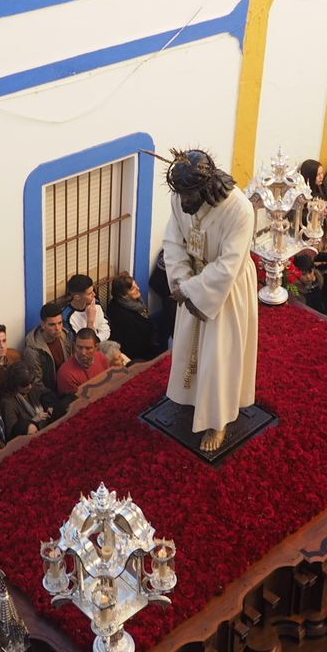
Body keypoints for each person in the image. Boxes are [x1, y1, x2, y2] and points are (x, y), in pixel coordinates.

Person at [158, 149, 259, 453]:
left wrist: (191, 291)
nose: (183, 202)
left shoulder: (238, 210)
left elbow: (230, 264)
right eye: (180, 194)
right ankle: (194, 401)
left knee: (219, 358)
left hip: (226, 291)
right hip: (191, 283)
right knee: (190, 349)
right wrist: (182, 282)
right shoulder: (180, 198)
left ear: (206, 186)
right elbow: (173, 242)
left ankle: (219, 420)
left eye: (189, 195)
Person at [106, 271, 163, 361]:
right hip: (136, 355)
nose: (138, 288)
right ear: (123, 295)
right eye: (133, 288)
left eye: (136, 285)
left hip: (147, 345)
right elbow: (131, 342)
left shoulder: (135, 302)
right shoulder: (119, 314)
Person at [57, 326, 111, 396]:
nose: (83, 353)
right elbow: (74, 403)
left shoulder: (102, 358)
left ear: (96, 347)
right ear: (74, 346)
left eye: (88, 348)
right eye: (79, 347)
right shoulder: (66, 374)